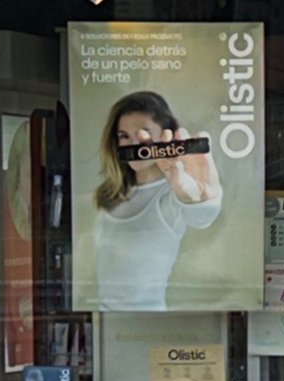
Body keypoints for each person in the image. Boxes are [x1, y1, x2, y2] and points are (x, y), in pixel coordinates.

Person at [91, 90, 223, 310]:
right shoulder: (110, 194)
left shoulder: (171, 195)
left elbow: (201, 215)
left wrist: (202, 198)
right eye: (124, 136)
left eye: (143, 133)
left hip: (149, 323)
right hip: (103, 321)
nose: (134, 145)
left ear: (165, 135)